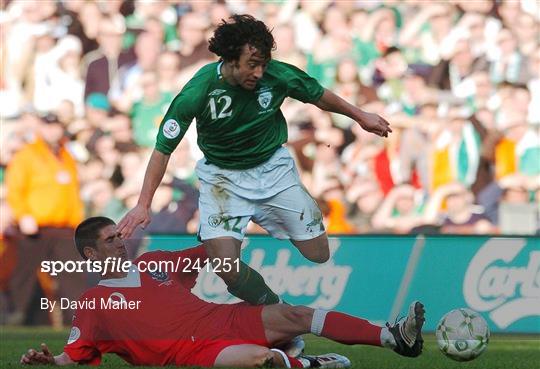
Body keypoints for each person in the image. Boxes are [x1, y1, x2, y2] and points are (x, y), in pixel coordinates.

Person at [118, 14, 392, 312]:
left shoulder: (278, 75)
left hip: (273, 171)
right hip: (222, 180)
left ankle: (264, 221)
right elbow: (162, 149)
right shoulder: (199, 90)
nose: (259, 72)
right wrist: (144, 203)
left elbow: (318, 96)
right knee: (227, 268)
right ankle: (281, 313)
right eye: (252, 64)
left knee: (318, 253)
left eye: (263, 63)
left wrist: (360, 116)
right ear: (230, 59)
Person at [20, 217, 425, 368]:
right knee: (259, 360)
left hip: (223, 318)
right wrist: (47, 361)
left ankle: (394, 337)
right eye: (111, 239)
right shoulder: (93, 303)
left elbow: (215, 250)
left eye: (120, 234)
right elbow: (75, 357)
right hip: (191, 354)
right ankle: (315, 364)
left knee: (298, 313)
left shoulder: (154, 262)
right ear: (91, 253)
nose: (122, 241)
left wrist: (222, 221)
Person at [5, 114, 86, 325]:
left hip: (65, 227)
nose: (52, 131)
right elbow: (15, 189)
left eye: (56, 126)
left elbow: (73, 192)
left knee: (71, 274)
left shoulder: (67, 155)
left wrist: (78, 221)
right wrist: (23, 216)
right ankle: (17, 316)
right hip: (36, 225)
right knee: (25, 273)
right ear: (41, 128)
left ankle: (77, 319)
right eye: (48, 126)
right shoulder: (27, 155)